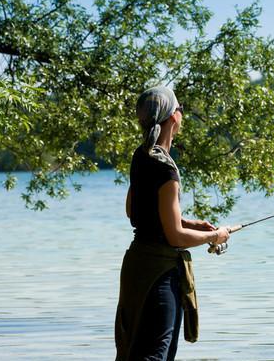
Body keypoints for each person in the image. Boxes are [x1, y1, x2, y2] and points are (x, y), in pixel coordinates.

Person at [114, 86, 230, 361]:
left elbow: (134, 211)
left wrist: (190, 223)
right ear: (173, 118)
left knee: (133, 351)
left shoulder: (140, 156)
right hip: (159, 274)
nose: (181, 114)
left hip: (135, 268)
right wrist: (215, 236)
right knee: (156, 355)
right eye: (179, 109)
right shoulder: (165, 168)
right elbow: (175, 237)